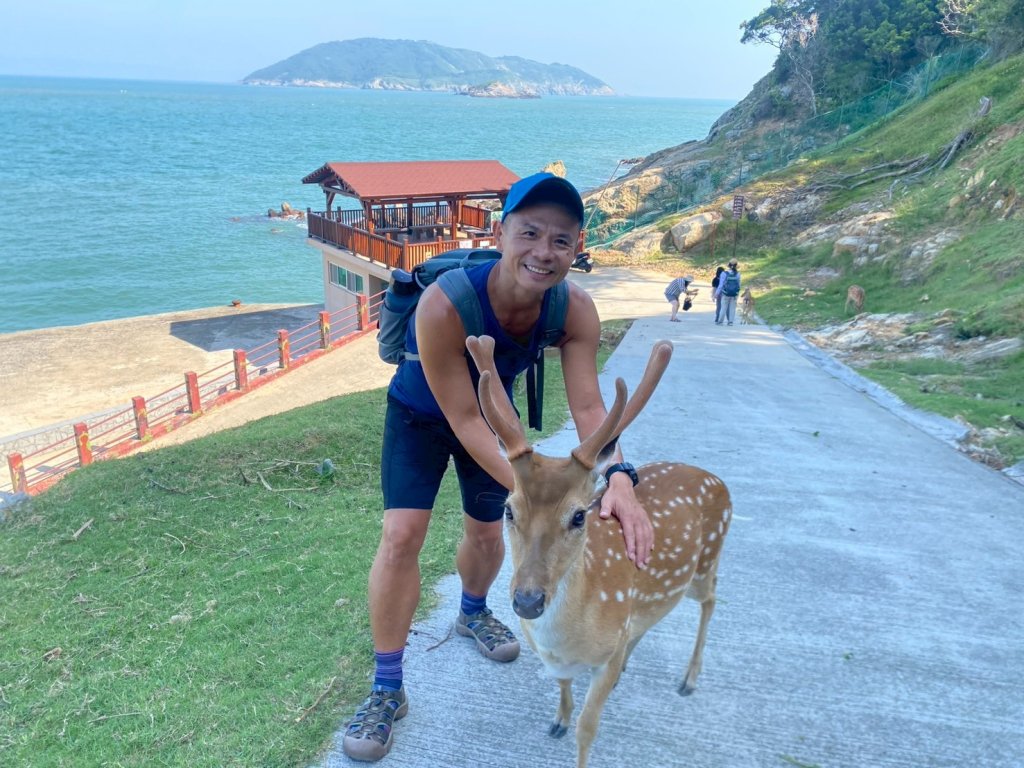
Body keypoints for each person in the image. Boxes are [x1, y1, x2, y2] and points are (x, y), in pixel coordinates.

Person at [342, 172, 654, 762]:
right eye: (529, 233)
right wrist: (539, 489)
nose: (544, 251)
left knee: (489, 533)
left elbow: (590, 408)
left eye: (560, 240)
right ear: (499, 234)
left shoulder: (573, 308)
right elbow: (462, 417)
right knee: (401, 536)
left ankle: (471, 613)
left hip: (497, 426)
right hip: (420, 416)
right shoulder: (444, 304)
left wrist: (619, 475)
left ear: (577, 246)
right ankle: (386, 687)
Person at [714, 260, 741, 326]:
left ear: (728, 265)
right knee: (732, 308)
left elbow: (721, 285)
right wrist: (737, 293)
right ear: (736, 266)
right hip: (734, 294)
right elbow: (739, 284)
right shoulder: (738, 274)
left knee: (723, 307)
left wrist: (717, 293)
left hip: (725, 293)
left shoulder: (724, 273)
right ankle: (730, 322)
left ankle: (720, 322)